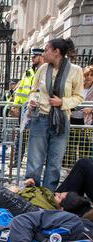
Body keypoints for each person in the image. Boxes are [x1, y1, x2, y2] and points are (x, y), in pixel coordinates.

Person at [25, 38, 85, 191]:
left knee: (54, 161)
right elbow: (34, 90)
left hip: (61, 120)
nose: (44, 54)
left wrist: (62, 102)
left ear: (56, 52)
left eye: (46, 50)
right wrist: (32, 100)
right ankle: (32, 192)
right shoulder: (43, 69)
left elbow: (79, 96)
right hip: (41, 117)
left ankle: (48, 194)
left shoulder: (75, 70)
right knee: (34, 160)